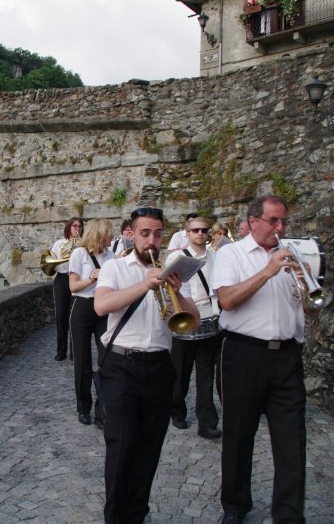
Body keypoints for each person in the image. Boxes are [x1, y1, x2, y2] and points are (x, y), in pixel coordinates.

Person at [211, 194, 317, 524]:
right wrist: (268, 271)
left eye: (284, 221)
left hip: (286, 356)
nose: (280, 228)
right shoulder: (231, 254)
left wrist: (306, 284)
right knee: (239, 434)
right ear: (253, 221)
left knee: (292, 439)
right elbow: (227, 300)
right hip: (244, 353)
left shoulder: (294, 255)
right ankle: (235, 505)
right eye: (273, 221)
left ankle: (288, 514)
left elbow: (309, 307)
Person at [94, 207, 200, 523]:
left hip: (159, 367)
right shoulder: (116, 268)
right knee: (121, 447)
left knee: (150, 447)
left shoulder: (173, 271)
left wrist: (178, 292)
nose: (152, 241)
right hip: (121, 366)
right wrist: (144, 284)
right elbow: (101, 306)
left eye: (157, 234)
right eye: (145, 233)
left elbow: (192, 324)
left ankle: (138, 513)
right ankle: (115, 517)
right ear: (131, 234)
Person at [167, 217, 222, 439]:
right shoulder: (176, 257)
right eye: (195, 230)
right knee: (180, 372)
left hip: (210, 317)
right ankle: (176, 411)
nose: (200, 233)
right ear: (187, 234)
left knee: (206, 374)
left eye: (203, 230)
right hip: (186, 316)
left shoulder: (216, 257)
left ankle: (207, 422)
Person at [68, 219, 114, 428]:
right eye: (109, 233)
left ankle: (102, 409)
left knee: (107, 358)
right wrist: (92, 278)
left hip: (103, 309)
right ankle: (83, 408)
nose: (112, 237)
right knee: (82, 361)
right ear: (99, 234)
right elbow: (73, 287)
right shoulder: (79, 254)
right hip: (83, 308)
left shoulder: (110, 255)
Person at [51, 217, 83, 361]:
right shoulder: (59, 244)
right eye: (75, 226)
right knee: (61, 316)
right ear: (68, 227)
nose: (77, 228)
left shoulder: (84, 244)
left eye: (80, 226)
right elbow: (52, 264)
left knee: (75, 317)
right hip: (62, 278)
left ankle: (73, 352)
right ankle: (61, 351)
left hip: (77, 279)